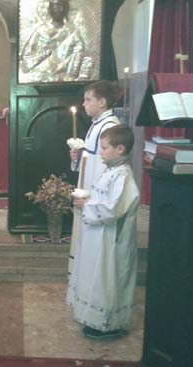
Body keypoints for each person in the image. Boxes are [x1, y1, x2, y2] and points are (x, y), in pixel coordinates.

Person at [66, 124, 140, 340]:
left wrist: (86, 205)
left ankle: (107, 324)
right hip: (99, 237)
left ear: (120, 149)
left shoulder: (123, 176)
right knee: (95, 277)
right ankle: (93, 319)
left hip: (111, 241)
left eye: (105, 148)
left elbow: (114, 208)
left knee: (106, 278)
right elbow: (103, 198)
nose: (101, 152)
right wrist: (88, 198)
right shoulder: (111, 171)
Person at [67, 80, 120, 278]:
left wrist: (91, 199)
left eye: (88, 99)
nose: (84, 104)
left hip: (96, 198)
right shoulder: (97, 124)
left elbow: (106, 166)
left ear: (103, 102)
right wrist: (79, 156)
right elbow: (92, 158)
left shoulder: (109, 127)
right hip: (88, 192)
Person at [20, 0, 93, 83]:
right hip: (43, 74)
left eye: (60, 5)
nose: (57, 9)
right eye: (54, 6)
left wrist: (66, 68)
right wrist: (43, 56)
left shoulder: (72, 31)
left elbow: (79, 52)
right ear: (50, 9)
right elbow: (27, 56)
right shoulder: (41, 30)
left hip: (65, 76)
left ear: (65, 9)